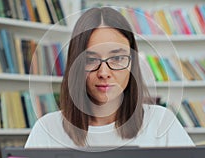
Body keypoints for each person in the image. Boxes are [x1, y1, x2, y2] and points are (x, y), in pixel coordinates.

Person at [25, 7, 194, 148]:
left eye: (117, 58)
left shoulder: (161, 123)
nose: (104, 72)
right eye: (91, 60)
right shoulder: (47, 130)